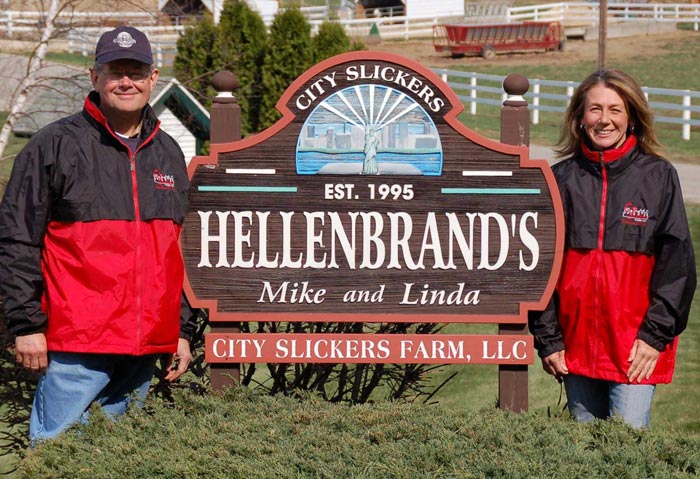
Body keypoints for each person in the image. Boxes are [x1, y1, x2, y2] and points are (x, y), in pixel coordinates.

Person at [0, 26, 196, 443]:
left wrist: (180, 329)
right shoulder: (53, 145)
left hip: (147, 344)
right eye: (115, 71)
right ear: (94, 77)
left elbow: (174, 252)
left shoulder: (169, 152)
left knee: (120, 458)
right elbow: (17, 239)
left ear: (153, 78)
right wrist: (25, 324)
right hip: (76, 343)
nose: (126, 81)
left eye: (136, 71)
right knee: (56, 454)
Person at [529, 69, 696, 429]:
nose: (604, 119)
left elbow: (677, 268)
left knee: (626, 454)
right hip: (574, 348)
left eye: (615, 110)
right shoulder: (561, 180)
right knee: (585, 457)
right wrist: (548, 340)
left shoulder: (658, 176)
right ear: (579, 117)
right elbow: (539, 269)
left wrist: (655, 337)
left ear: (631, 116)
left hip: (634, 350)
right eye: (595, 109)